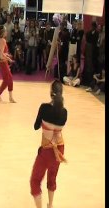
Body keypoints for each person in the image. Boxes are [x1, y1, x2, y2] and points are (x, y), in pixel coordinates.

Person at [30, 80, 68, 208]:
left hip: (47, 149)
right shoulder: (65, 112)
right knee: (52, 177)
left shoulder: (44, 108)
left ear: (51, 93)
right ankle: (50, 205)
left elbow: (35, 126)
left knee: (35, 181)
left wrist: (43, 122)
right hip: (59, 149)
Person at [0, 27, 16, 103]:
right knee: (8, 79)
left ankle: (7, 96)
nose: (7, 32)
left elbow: (1, 52)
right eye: (6, 31)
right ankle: (0, 94)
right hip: (3, 63)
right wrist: (9, 59)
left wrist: (7, 56)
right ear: (2, 32)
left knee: (8, 79)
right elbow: (1, 55)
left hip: (3, 62)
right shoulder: (3, 40)